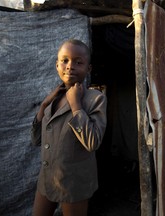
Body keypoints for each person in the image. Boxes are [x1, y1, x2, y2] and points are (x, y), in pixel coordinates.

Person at [31, 39, 107, 216]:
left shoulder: (94, 98)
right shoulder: (53, 100)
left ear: (88, 69)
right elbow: (36, 140)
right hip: (48, 178)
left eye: (78, 62)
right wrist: (43, 106)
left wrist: (76, 106)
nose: (70, 66)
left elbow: (92, 142)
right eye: (64, 60)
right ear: (57, 65)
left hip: (74, 182)